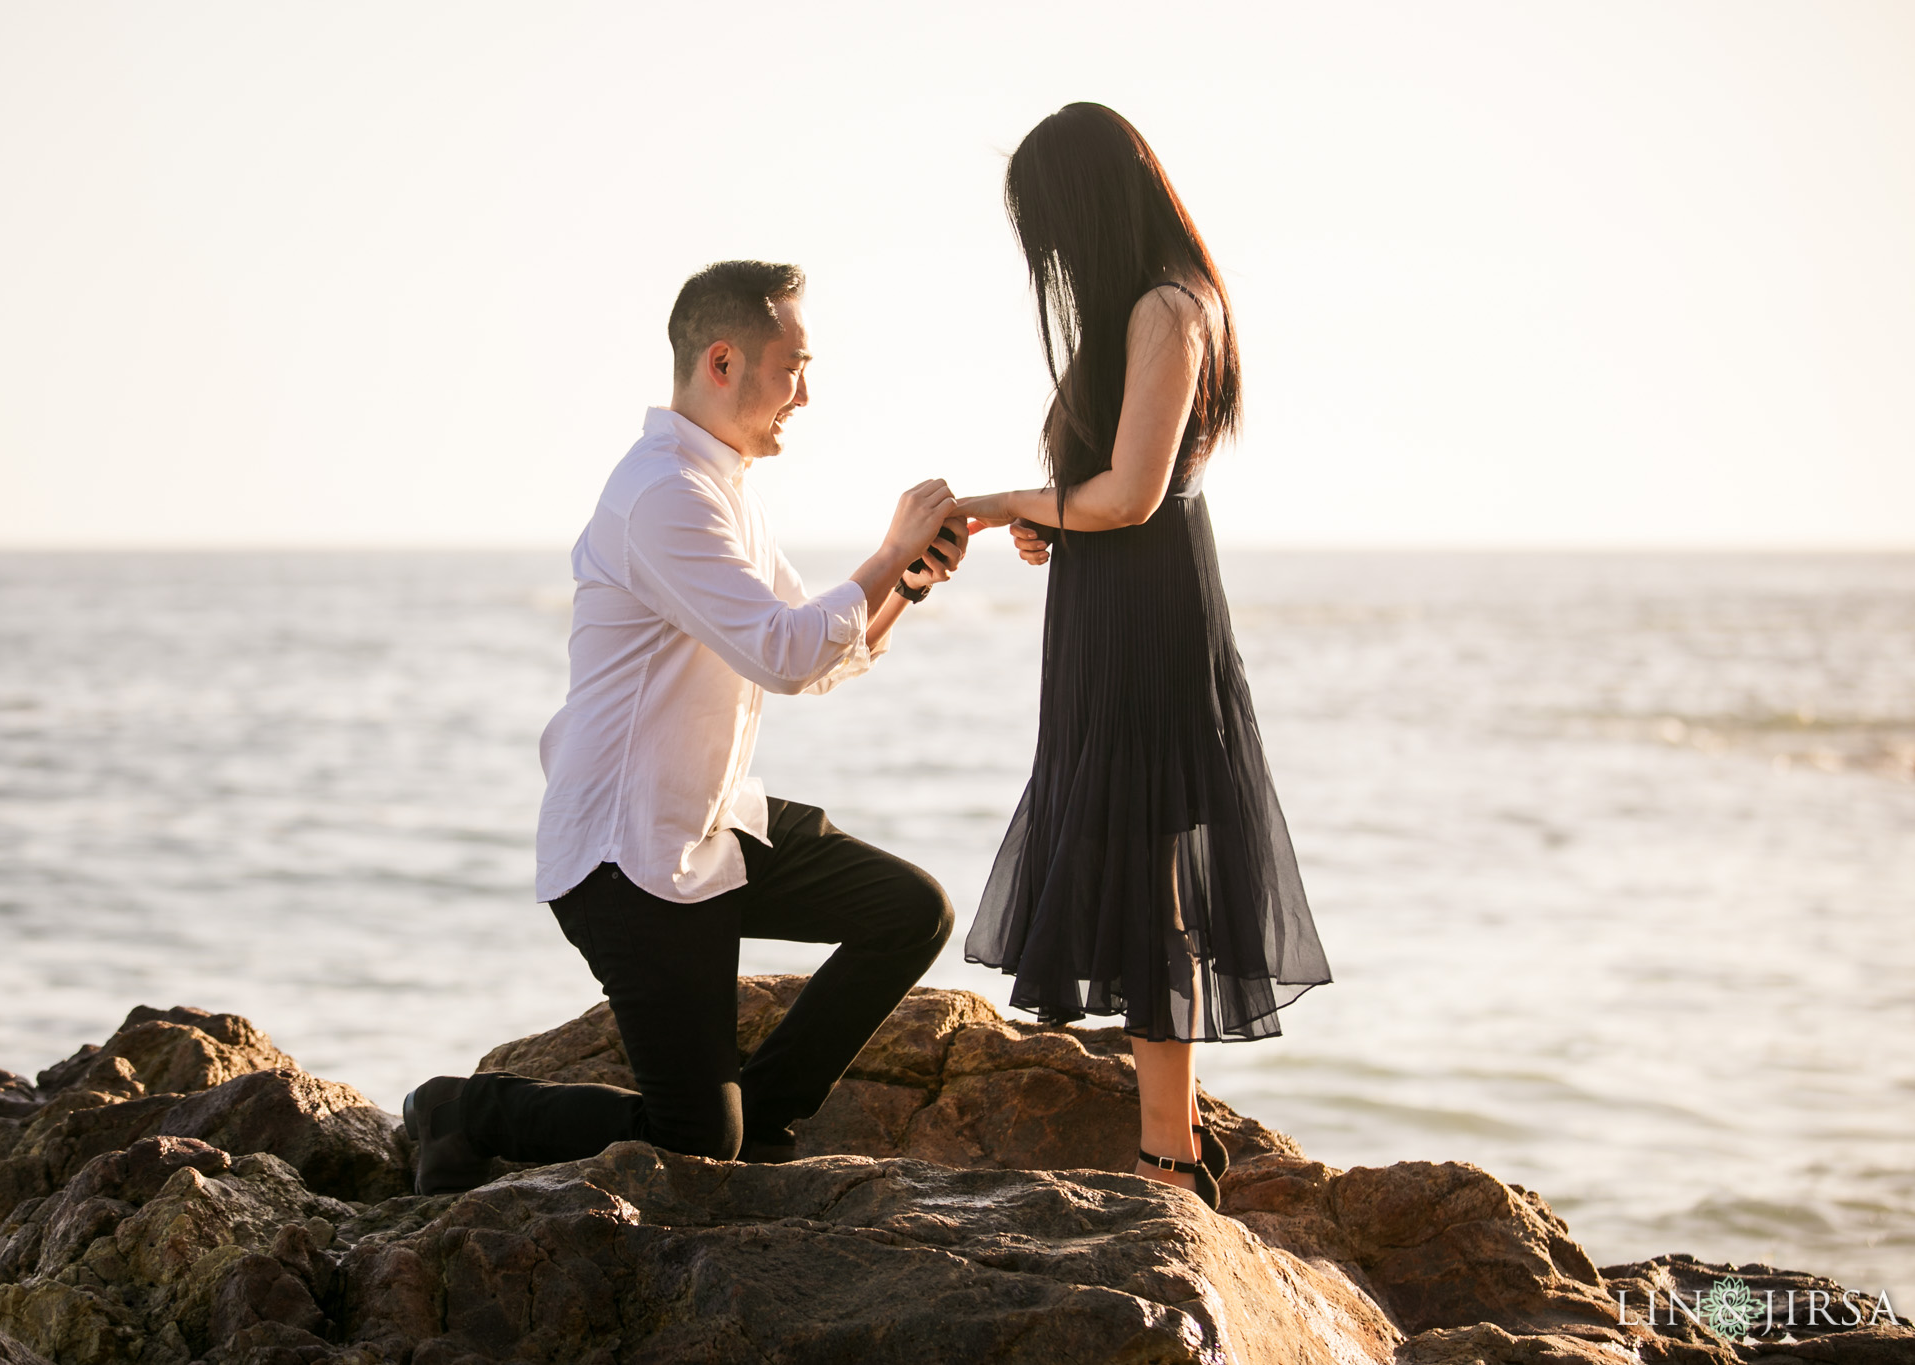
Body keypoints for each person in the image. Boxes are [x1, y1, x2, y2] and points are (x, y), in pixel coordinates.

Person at [403, 260, 966, 1193]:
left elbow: (807, 660)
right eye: (794, 366)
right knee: (696, 1145)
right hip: (626, 859)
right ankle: (463, 1111)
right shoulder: (663, 495)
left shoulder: (723, 487)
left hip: (709, 821)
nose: (806, 392)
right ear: (722, 360)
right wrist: (887, 548)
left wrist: (903, 585)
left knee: (910, 911)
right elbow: (785, 650)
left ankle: (767, 1118)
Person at [956, 104, 1333, 1209]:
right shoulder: (1131, 314)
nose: (1046, 254)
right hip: (1103, 605)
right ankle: (1167, 1138)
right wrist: (1040, 519)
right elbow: (1090, 495)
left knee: (1153, 860)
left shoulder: (1169, 310)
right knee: (1128, 852)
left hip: (1147, 612)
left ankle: (1167, 1151)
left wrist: (993, 507)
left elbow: (1128, 497)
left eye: (1048, 223)